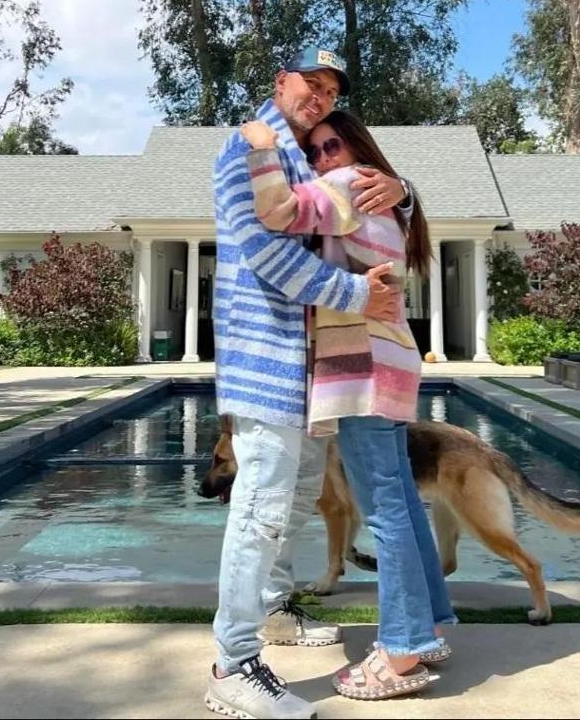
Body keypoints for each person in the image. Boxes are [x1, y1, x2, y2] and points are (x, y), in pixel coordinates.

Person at [206, 47, 413, 720]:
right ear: (281, 82)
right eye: (310, 83)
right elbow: (265, 252)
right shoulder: (248, 148)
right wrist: (357, 294)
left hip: (313, 367)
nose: (320, 97)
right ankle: (232, 665)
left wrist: (403, 188)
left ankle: (272, 610)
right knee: (261, 506)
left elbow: (358, 202)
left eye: (330, 90)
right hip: (266, 355)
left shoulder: (308, 156)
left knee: (296, 495)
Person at [240, 109, 458, 701]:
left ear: (356, 147)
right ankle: (430, 626)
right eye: (312, 153)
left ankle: (402, 650)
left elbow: (277, 211)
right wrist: (406, 188)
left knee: (383, 509)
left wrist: (261, 148)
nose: (320, 160)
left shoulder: (346, 185)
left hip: (363, 367)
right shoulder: (386, 199)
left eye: (330, 146)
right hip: (391, 362)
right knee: (401, 502)